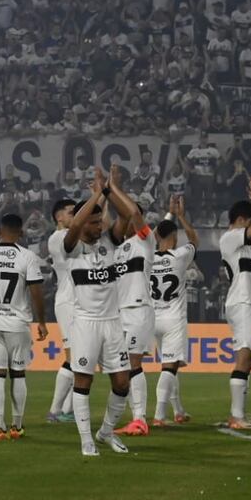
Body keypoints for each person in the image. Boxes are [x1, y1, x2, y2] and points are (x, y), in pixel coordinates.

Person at [59, 167, 139, 456]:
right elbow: (74, 226)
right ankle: (85, 440)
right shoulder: (69, 247)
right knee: (84, 381)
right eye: (93, 223)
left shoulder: (110, 242)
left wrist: (111, 188)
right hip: (85, 323)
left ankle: (105, 432)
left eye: (99, 221)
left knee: (122, 382)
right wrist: (96, 195)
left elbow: (129, 215)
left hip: (113, 322)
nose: (98, 227)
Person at [0, 214, 48, 441]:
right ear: (22, 232)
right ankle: (17, 426)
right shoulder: (27, 256)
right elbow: (36, 292)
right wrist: (42, 322)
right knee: (18, 374)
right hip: (17, 323)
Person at [219, 176, 251, 429]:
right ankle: (236, 417)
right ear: (240, 221)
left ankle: (239, 414)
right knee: (244, 357)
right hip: (241, 304)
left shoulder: (243, 247)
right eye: (250, 223)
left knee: (248, 359)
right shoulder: (230, 238)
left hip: (246, 303)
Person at [111, 170, 157, 437]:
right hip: (120, 313)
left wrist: (115, 187)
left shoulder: (144, 241)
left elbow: (136, 215)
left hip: (139, 308)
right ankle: (134, 418)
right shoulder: (117, 249)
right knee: (123, 366)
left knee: (132, 362)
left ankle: (140, 419)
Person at [151, 195, 199, 426]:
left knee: (172, 365)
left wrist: (168, 215)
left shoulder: (147, 257)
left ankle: (178, 410)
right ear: (175, 236)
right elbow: (194, 239)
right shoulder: (180, 256)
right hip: (173, 318)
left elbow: (153, 236)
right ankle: (160, 415)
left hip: (152, 319)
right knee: (169, 367)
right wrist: (180, 215)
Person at [46, 198, 78, 423]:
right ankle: (55, 411)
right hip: (67, 302)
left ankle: (68, 410)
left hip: (80, 302)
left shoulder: (73, 237)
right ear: (59, 217)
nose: (76, 216)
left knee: (83, 358)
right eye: (71, 212)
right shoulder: (58, 238)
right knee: (73, 356)